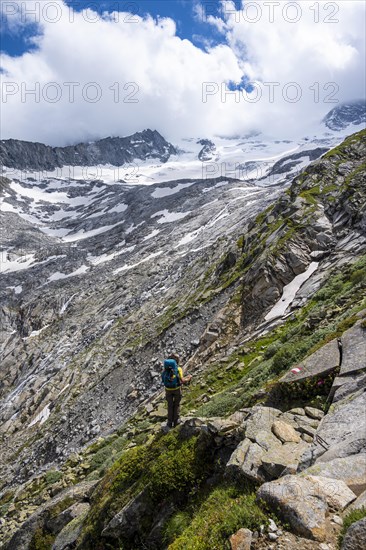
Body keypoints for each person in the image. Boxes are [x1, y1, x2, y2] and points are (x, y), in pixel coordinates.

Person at [162, 353, 192, 429]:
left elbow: (163, 380)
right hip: (176, 389)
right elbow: (182, 380)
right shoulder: (178, 369)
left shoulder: (165, 370)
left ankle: (169, 422)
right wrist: (189, 378)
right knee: (177, 404)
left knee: (170, 405)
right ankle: (176, 421)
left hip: (168, 390)